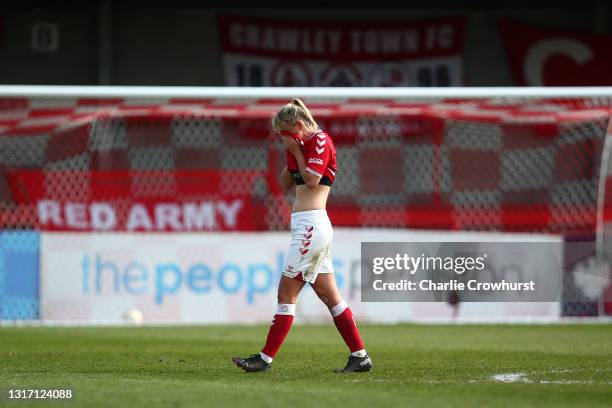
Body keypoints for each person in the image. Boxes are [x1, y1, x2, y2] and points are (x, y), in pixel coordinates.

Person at [232, 98, 372, 373]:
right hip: (307, 225)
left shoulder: (320, 140)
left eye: (285, 133)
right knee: (330, 296)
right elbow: (285, 183)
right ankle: (360, 356)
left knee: (286, 291)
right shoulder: (301, 145)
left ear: (297, 124)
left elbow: (311, 181)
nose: (284, 139)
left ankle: (265, 359)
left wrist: (297, 153)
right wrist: (292, 153)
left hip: (312, 225)